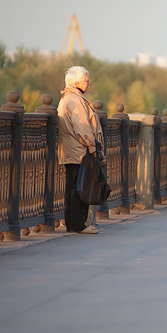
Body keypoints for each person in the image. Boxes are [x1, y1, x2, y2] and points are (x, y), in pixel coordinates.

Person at [58, 66, 104, 235]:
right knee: (81, 187)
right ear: (76, 82)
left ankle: (73, 224)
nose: (88, 83)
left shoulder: (68, 98)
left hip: (71, 150)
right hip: (79, 151)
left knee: (73, 187)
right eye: (86, 80)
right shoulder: (75, 100)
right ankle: (78, 225)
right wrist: (94, 148)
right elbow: (82, 128)